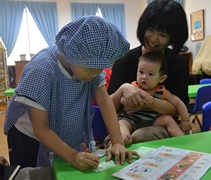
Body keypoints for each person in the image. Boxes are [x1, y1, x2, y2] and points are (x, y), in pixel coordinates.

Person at [4, 15, 139, 170]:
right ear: (73, 54)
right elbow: (40, 128)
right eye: (90, 68)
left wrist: (117, 142)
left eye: (101, 69)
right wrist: (73, 156)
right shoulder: (41, 70)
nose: (95, 74)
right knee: (35, 173)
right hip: (29, 136)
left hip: (60, 128)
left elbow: (105, 101)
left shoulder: (88, 66)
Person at [107, 0, 190, 145]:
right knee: (124, 137)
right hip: (126, 124)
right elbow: (107, 107)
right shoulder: (124, 61)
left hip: (161, 125)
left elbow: (178, 108)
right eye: (150, 29)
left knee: (140, 136)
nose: (153, 39)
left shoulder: (179, 63)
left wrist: (146, 101)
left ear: (173, 37)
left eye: (163, 34)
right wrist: (123, 89)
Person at [119, 52, 192, 145]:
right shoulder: (133, 87)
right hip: (132, 119)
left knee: (168, 119)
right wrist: (130, 100)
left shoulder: (163, 91)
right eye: (141, 72)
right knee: (122, 122)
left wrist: (185, 120)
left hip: (153, 121)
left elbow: (178, 103)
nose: (144, 77)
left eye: (150, 74)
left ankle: (181, 139)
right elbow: (123, 100)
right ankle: (125, 137)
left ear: (161, 78)